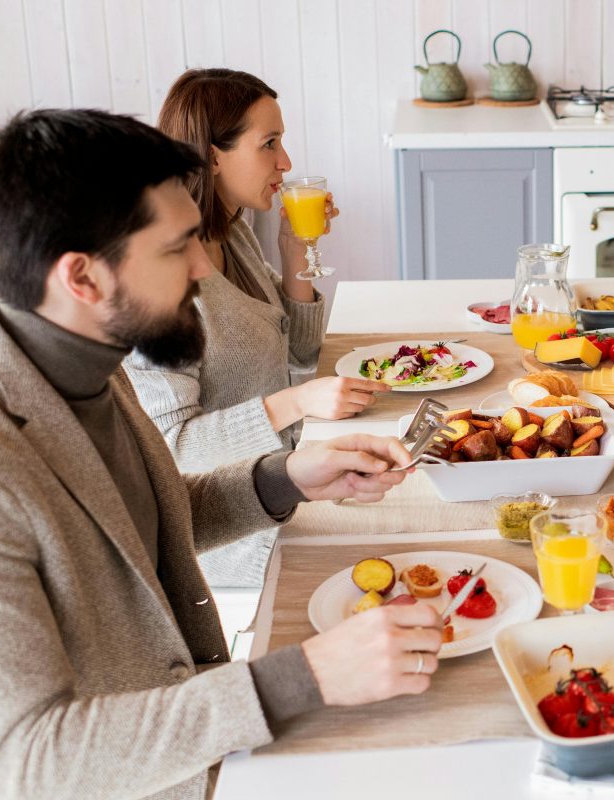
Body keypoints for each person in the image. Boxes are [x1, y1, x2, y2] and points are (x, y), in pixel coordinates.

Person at [0, 109, 443, 800]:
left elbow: (135, 526)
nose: (204, 268)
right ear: (83, 277)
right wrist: (303, 677)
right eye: (179, 248)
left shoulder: (83, 355)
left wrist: (285, 479)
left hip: (195, 747)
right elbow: (27, 761)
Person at [125, 68, 388, 587]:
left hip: (293, 474)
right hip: (239, 534)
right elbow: (174, 449)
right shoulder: (157, 278)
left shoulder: (232, 233)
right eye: (269, 144)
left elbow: (302, 352)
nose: (285, 161)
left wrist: (294, 251)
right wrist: (297, 402)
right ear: (212, 156)